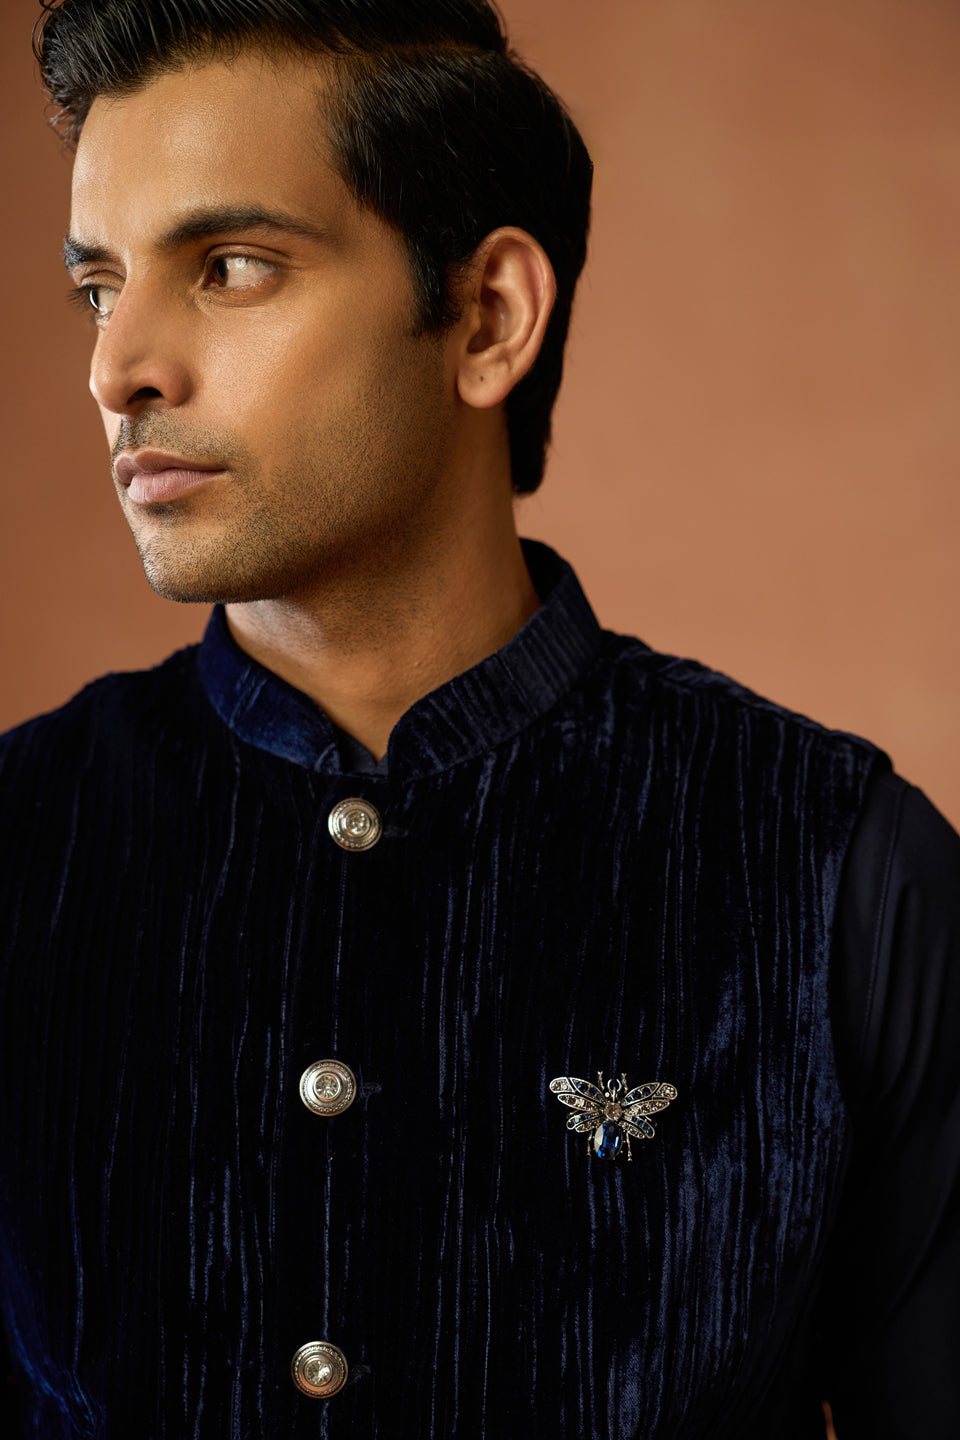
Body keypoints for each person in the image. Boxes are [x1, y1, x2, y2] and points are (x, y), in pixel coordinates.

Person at [1, 1, 958, 1435]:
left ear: (489, 316)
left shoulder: (845, 875)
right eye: (98, 287)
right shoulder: (21, 846)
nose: (116, 367)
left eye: (231, 267)